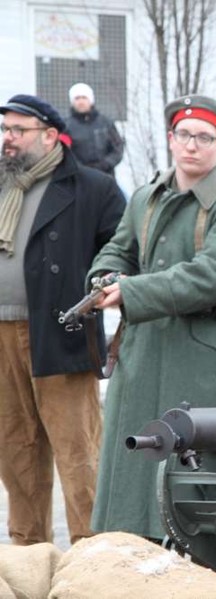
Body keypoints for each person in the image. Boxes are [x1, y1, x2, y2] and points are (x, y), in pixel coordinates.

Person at [89, 95, 216, 540]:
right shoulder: (145, 197)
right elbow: (117, 249)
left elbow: (214, 275)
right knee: (134, 469)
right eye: (184, 135)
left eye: (205, 138)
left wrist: (131, 291)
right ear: (171, 139)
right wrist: (104, 277)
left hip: (204, 355)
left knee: (199, 474)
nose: (192, 146)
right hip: (143, 350)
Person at [0, 94, 125, 546]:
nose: (8, 140)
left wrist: (109, 285)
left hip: (60, 332)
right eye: (6, 131)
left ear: (50, 136)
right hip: (2, 335)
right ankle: (29, 556)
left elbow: (121, 252)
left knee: (79, 455)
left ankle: (92, 558)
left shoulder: (93, 187)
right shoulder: (1, 184)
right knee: (16, 452)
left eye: (18, 131)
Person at [63, 83, 125, 178]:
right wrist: (80, 168)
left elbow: (118, 148)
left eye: (84, 97)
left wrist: (105, 164)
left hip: (106, 178)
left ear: (91, 100)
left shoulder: (106, 123)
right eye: (77, 98)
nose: (81, 101)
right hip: (78, 179)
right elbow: (64, 152)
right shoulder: (65, 126)